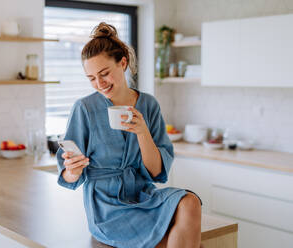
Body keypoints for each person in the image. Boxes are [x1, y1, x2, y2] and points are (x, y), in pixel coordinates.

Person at [56, 22, 202, 248]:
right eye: (92, 78)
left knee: (190, 202)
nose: (100, 84)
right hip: (106, 208)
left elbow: (155, 172)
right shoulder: (84, 109)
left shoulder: (149, 105)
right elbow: (67, 177)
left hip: (144, 197)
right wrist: (72, 171)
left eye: (104, 74)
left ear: (122, 63)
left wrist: (142, 131)